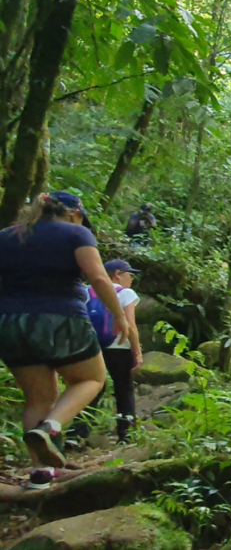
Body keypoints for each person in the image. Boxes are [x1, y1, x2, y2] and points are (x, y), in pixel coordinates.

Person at [0, 192, 130, 489]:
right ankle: (52, 428)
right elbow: (98, 278)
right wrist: (118, 315)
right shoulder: (76, 233)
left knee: (39, 398)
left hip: (10, 322)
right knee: (92, 379)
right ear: (73, 213)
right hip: (60, 317)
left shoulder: (6, 236)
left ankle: (40, 475)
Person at [73, 259, 143, 443]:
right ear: (117, 274)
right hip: (119, 346)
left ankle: (76, 434)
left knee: (91, 387)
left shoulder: (86, 291)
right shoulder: (125, 293)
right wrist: (137, 351)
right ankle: (126, 434)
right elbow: (130, 325)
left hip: (90, 346)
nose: (131, 279)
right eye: (130, 274)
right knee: (124, 388)